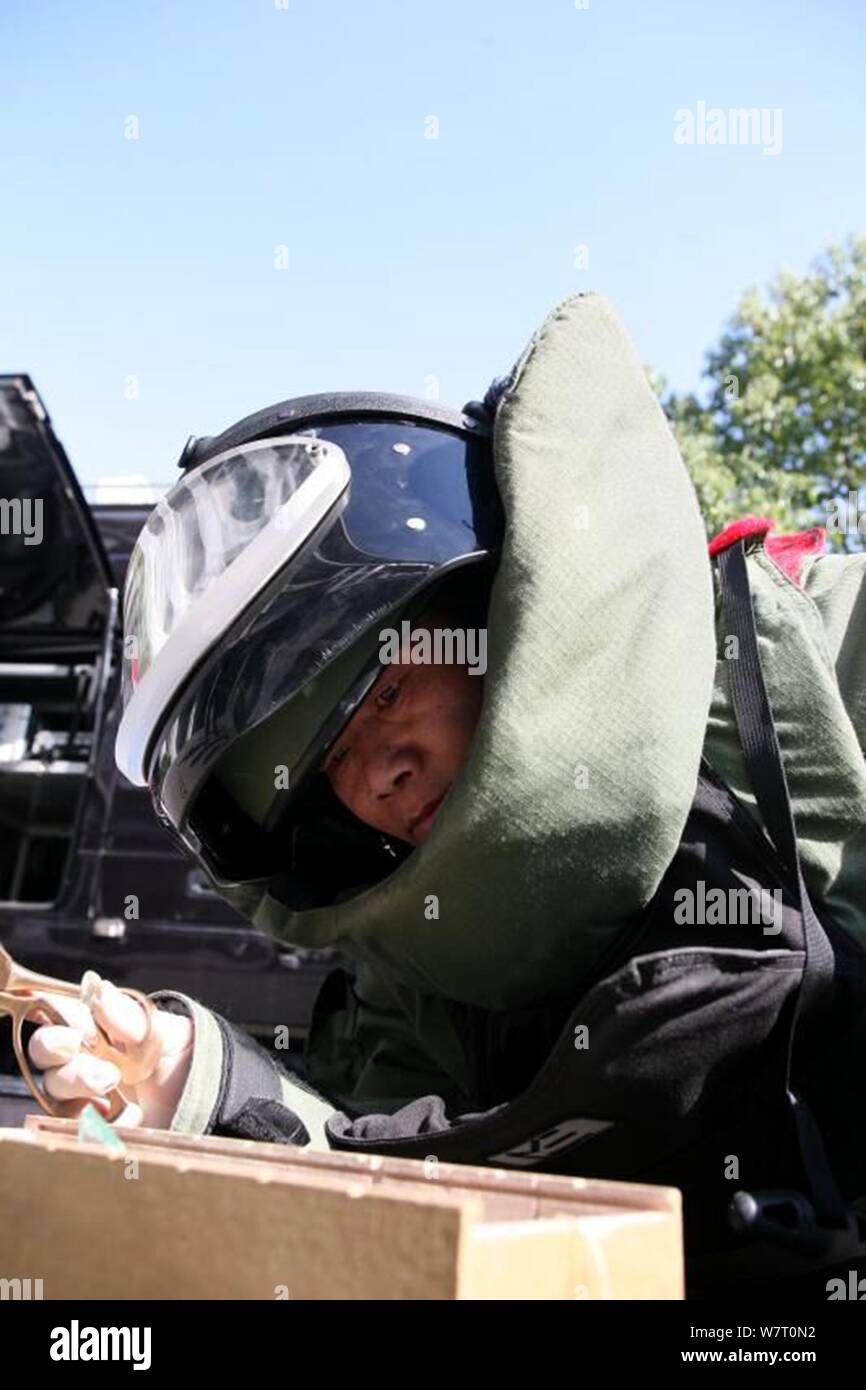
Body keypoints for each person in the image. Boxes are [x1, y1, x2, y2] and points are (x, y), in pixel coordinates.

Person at [28, 294, 866, 1293]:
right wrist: (192, 1080)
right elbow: (375, 1174)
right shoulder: (414, 959)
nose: (373, 778)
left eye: (384, 690)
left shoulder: (821, 659)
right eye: (326, 771)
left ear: (489, 603)